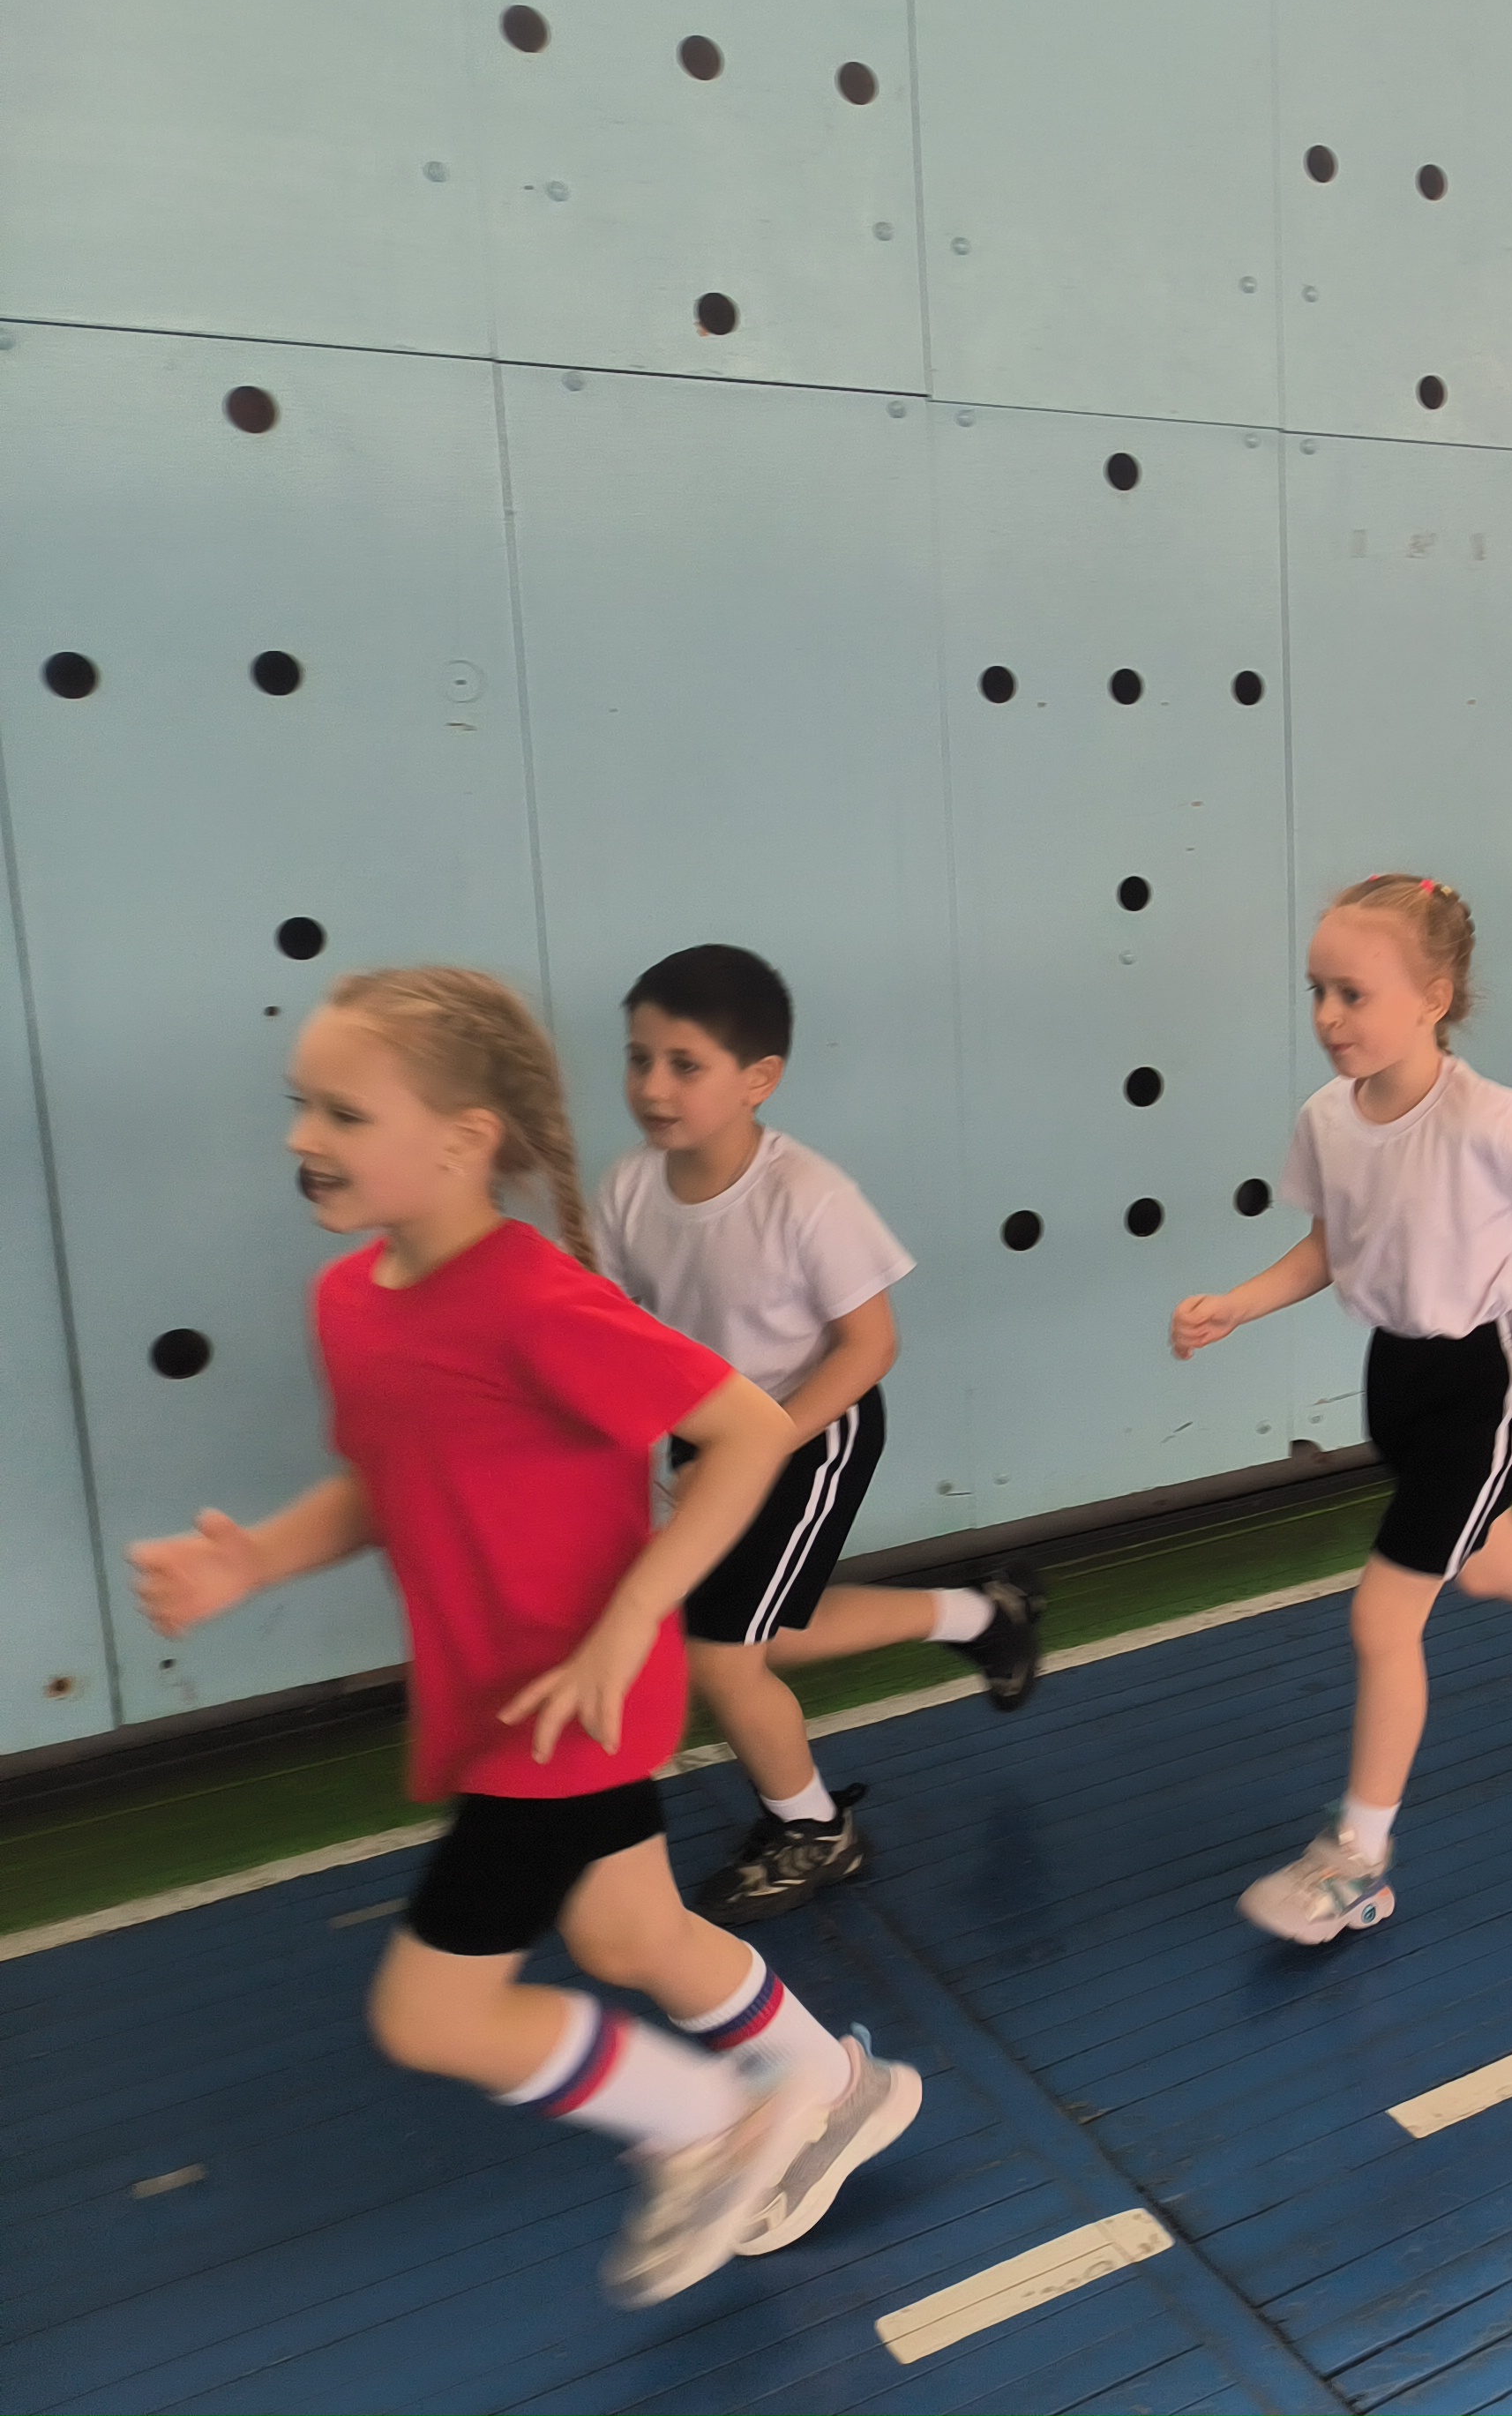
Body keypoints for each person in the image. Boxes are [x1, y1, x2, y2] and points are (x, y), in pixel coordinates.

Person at [129, 968, 918, 2308]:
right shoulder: (352, 1299)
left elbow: (741, 1434)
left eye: (343, 1112)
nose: (302, 1138)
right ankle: (829, 2084)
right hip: (503, 1693)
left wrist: (631, 1618)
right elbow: (391, 1477)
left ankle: (710, 2126)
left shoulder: (536, 1300)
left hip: (567, 1705)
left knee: (431, 2014)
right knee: (631, 1939)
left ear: (462, 1140)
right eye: (301, 1105)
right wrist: (253, 1558)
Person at [1171, 876, 1512, 1944]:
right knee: (1488, 1562)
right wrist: (1238, 1305)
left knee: (1383, 1617)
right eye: (1316, 991)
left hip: (1486, 1378)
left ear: (1433, 998)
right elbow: (1329, 1246)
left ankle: (1356, 1860)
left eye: (1352, 993)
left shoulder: (1489, 1119)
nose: (1327, 1016)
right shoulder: (1328, 1119)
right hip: (1395, 1375)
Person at [597, 945, 1044, 1925]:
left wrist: (760, 1443)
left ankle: (814, 1830)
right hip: (711, 1436)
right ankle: (984, 1616)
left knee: (723, 1655)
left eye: (684, 1064)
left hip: (814, 1432)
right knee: (768, 1631)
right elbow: (615, 1327)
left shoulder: (808, 1195)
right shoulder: (629, 1187)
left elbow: (870, 1345)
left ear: (758, 1078)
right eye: (638, 1059)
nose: (653, 1086)